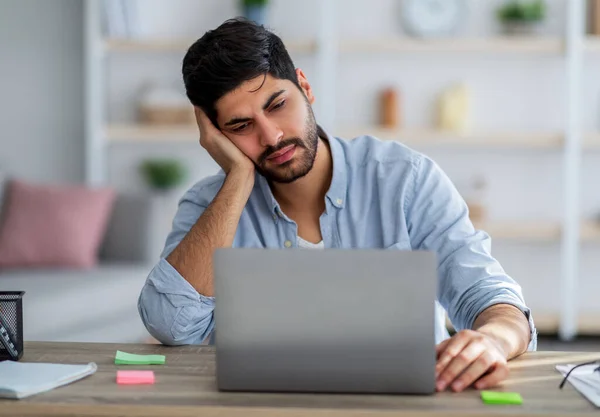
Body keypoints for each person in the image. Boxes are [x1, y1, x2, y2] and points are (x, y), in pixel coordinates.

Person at [138, 18, 537, 393]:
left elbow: (488, 296)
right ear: (215, 137)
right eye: (241, 127)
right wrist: (238, 179)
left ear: (305, 87)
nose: (272, 136)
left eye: (277, 104)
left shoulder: (407, 180)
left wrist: (493, 341)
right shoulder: (210, 205)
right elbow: (171, 326)